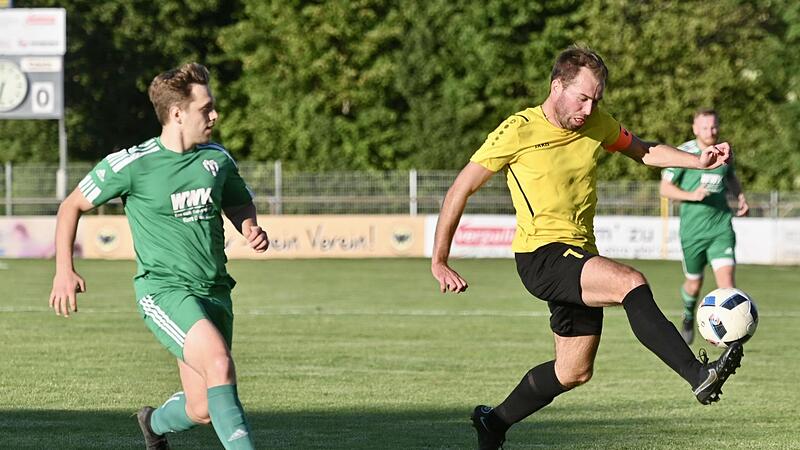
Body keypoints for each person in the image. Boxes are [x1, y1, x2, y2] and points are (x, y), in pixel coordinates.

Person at [430, 46, 744, 450]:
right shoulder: (517, 130)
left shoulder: (597, 123)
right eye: (582, 97)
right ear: (557, 85)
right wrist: (439, 259)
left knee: (573, 371)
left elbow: (644, 150)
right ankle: (698, 375)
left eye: (596, 99)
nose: (589, 107)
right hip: (541, 255)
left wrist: (697, 162)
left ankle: (493, 422)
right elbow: (461, 188)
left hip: (578, 255)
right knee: (630, 282)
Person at [48, 62, 267, 450]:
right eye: (206, 108)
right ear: (178, 113)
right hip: (165, 290)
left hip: (215, 290)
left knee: (202, 407)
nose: (214, 115)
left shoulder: (215, 159)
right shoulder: (133, 164)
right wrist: (64, 270)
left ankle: (153, 422)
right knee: (219, 365)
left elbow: (238, 202)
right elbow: (71, 206)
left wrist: (248, 226)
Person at [660, 109, 749, 344]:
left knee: (727, 286)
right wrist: (692, 195)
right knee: (693, 284)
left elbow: (730, 177)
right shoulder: (684, 154)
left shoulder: (723, 152)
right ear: (695, 129)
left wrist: (740, 197)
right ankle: (689, 316)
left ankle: (729, 338)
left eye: (714, 126)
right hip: (693, 232)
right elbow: (664, 189)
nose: (711, 131)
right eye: (706, 127)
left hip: (721, 228)